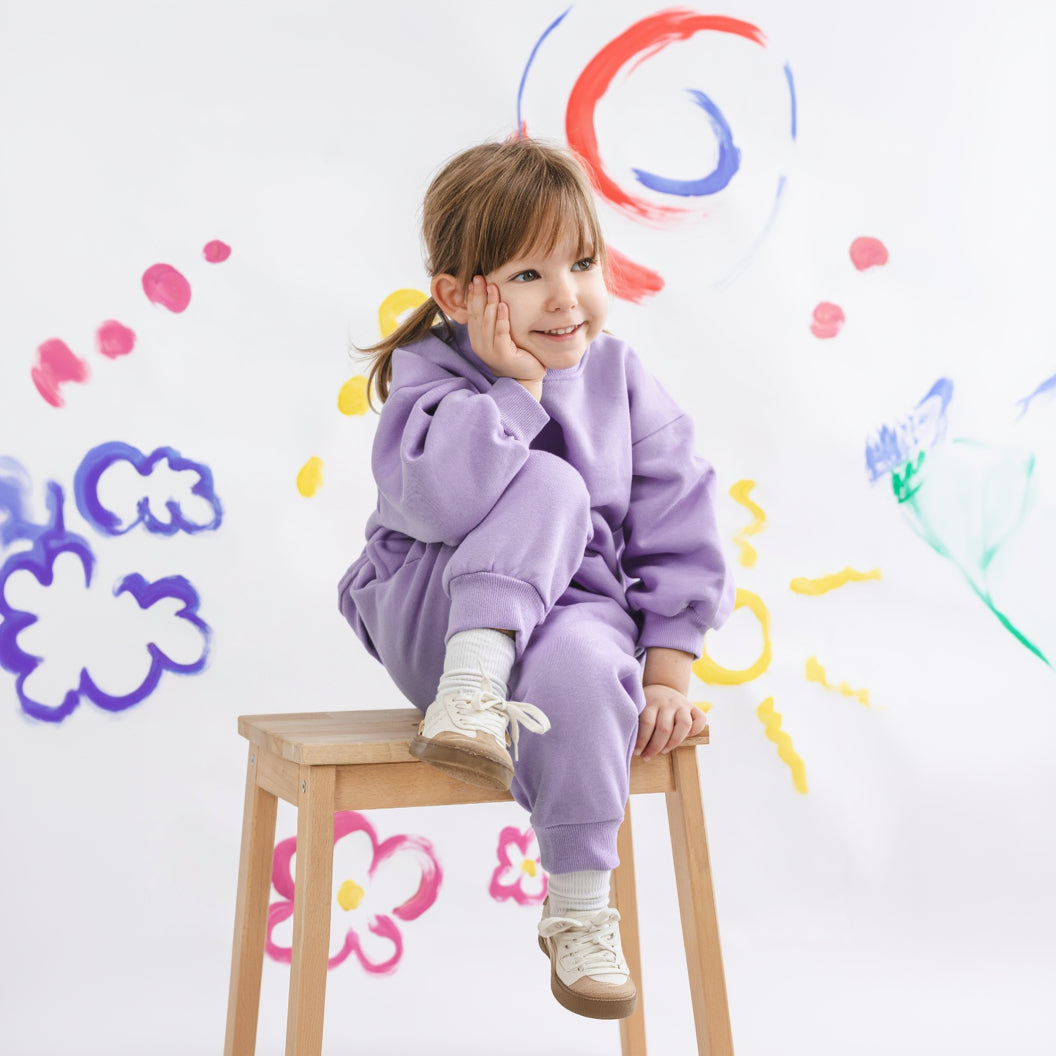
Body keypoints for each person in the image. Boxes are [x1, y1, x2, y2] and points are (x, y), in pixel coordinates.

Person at [338, 136, 733, 1020]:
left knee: (593, 668)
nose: (565, 296)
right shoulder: (431, 374)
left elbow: (681, 523)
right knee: (551, 480)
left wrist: (669, 666)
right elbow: (440, 504)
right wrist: (515, 392)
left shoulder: (623, 379)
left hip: (569, 615)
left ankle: (580, 909)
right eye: (526, 276)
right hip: (429, 612)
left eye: (583, 262)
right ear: (456, 295)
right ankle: (471, 690)